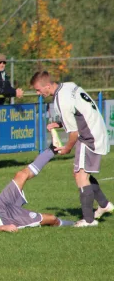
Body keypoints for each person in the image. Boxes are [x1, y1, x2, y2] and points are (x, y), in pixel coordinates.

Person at [31, 71, 114, 227]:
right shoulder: (68, 86)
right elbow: (78, 111)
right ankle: (104, 204)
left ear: (47, 86)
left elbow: (74, 133)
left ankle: (88, 220)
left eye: (38, 90)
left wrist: (67, 148)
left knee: (80, 176)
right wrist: (60, 124)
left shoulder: (60, 101)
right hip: (96, 130)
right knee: (82, 173)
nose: (38, 93)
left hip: (89, 137)